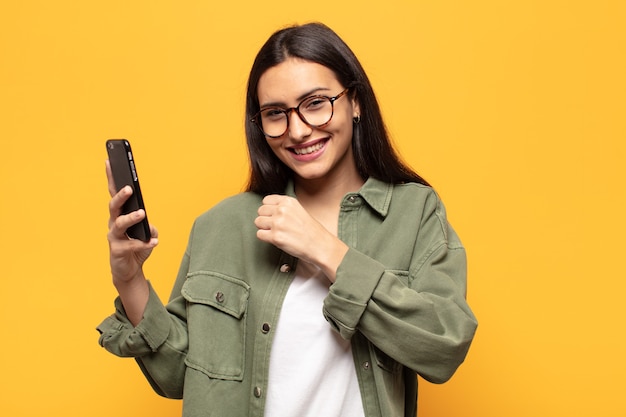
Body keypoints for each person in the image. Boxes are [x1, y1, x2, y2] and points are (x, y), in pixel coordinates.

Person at [97, 22, 477, 417]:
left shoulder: (413, 213)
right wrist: (130, 280)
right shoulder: (222, 225)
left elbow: (444, 345)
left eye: (315, 103)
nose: (297, 130)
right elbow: (180, 377)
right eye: (275, 113)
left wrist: (327, 250)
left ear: (356, 101)